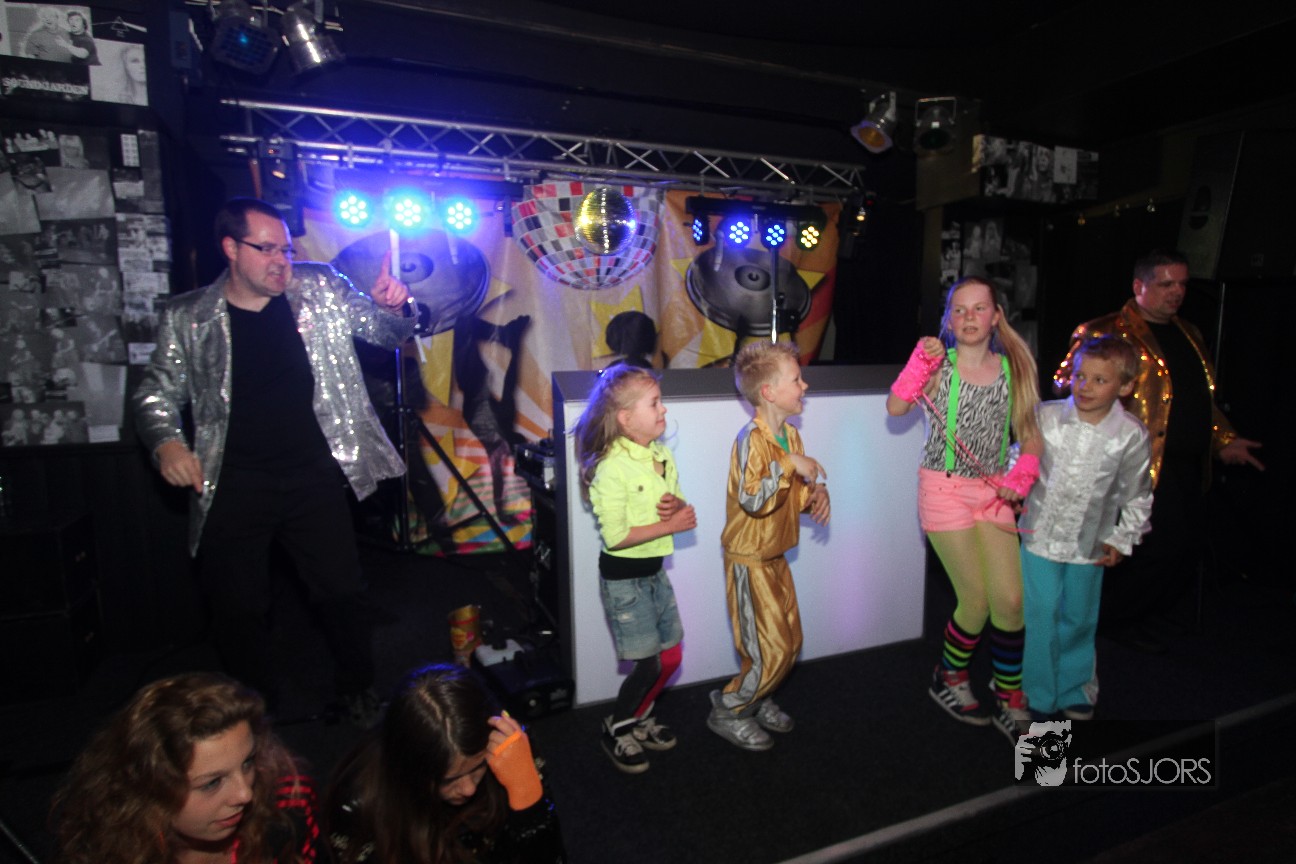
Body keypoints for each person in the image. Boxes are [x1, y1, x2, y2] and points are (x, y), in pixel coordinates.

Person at [132, 197, 415, 724]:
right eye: (266, 249)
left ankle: (357, 686)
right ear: (230, 248)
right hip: (233, 481)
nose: (281, 261)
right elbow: (155, 393)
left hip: (313, 475)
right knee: (238, 608)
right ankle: (251, 711)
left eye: (285, 249)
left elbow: (386, 334)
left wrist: (393, 308)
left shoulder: (321, 287)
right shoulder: (188, 316)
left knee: (343, 593)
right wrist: (167, 442)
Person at [1054, 249, 1264, 651]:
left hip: (1184, 465)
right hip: (1134, 466)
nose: (1177, 292)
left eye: (1182, 284)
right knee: (1148, 549)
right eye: (1166, 283)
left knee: (1182, 548)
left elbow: (1199, 399)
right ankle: (1113, 624)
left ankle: (1141, 619)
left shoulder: (1190, 333)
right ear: (1140, 286)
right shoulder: (1104, 331)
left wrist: (1223, 440)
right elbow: (1066, 388)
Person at [887, 277, 1042, 743]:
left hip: (993, 491)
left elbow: (1030, 435)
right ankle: (949, 676)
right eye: (959, 309)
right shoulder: (940, 366)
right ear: (948, 319)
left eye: (979, 308)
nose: (969, 317)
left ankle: (1009, 694)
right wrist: (920, 362)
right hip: (943, 489)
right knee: (975, 601)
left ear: (996, 316)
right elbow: (896, 407)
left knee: (1010, 602)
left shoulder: (1014, 367)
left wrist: (1021, 475)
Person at [51, 672, 322, 864]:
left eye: (248, 762)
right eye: (212, 783)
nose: (245, 794)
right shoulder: (107, 851)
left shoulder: (287, 806)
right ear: (149, 788)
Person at [571, 363, 696, 773]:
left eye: (661, 402)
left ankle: (638, 718)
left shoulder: (660, 454)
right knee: (650, 664)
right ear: (626, 419)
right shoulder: (611, 467)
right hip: (625, 582)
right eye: (654, 403)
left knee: (670, 657)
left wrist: (676, 507)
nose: (664, 409)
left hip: (654, 574)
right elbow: (616, 537)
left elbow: (675, 502)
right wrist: (669, 525)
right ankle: (618, 726)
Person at [1020, 336, 1153, 721]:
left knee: (1078, 617)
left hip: (1089, 543)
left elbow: (1137, 494)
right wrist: (1010, 481)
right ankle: (1036, 690)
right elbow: (1023, 461)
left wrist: (1122, 538)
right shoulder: (1045, 417)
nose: (1085, 387)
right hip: (1039, 536)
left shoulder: (1130, 434)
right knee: (1041, 612)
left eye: (1099, 380)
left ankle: (1075, 686)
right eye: (1080, 376)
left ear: (1125, 387)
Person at [707, 341, 830, 751]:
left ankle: (756, 698)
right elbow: (752, 499)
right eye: (796, 379)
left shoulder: (790, 435)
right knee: (768, 649)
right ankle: (730, 708)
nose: (804, 385)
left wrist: (814, 497)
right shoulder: (750, 440)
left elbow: (790, 498)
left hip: (775, 556)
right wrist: (790, 465)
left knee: (789, 642)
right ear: (769, 392)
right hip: (749, 560)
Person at [326, 663, 566, 864]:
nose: (468, 789)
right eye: (448, 780)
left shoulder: (510, 748)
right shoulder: (357, 805)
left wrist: (527, 798)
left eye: (478, 767)